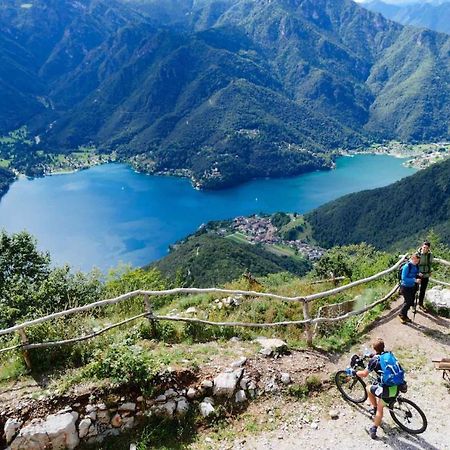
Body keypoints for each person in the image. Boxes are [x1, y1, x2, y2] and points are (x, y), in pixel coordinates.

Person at [347, 338, 404, 440]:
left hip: (389, 391)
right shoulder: (388, 355)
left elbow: (364, 374)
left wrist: (353, 372)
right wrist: (370, 355)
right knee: (375, 387)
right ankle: (375, 408)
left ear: (374, 348)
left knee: (375, 398)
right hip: (398, 385)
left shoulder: (374, 361)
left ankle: (374, 428)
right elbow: (380, 358)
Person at [399, 252, 421, 324]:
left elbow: (415, 273)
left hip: (412, 286)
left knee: (409, 301)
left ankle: (404, 316)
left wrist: (418, 274)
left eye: (418, 261)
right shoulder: (407, 266)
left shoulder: (416, 266)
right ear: (412, 258)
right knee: (408, 302)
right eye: (415, 260)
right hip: (405, 287)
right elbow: (404, 278)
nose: (416, 262)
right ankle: (401, 315)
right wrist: (414, 280)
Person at [417, 241, 433, 310]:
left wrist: (430, 271)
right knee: (415, 290)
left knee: (423, 290)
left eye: (426, 248)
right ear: (421, 246)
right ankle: (412, 305)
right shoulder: (417, 254)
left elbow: (430, 264)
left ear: (429, 248)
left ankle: (420, 304)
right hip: (418, 274)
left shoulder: (430, 255)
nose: (425, 249)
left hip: (426, 274)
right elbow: (413, 264)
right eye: (424, 247)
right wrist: (417, 272)